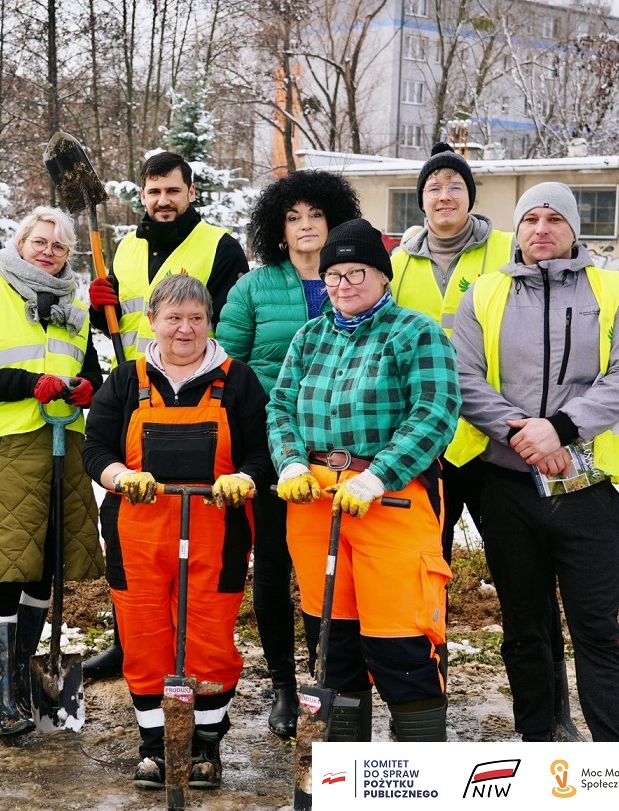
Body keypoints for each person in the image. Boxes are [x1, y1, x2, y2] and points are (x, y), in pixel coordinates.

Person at [448, 183, 619, 742]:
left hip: (585, 490)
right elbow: (464, 377)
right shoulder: (485, 293)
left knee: (596, 630)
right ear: (517, 229)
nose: (541, 229)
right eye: (530, 219)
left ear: (573, 228)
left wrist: (560, 428)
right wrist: (527, 435)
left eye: (554, 218)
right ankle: (538, 742)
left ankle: (616, 755)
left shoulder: (612, 291)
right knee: (524, 628)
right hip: (508, 488)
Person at [267, 218, 459, 743]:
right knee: (332, 643)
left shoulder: (415, 333)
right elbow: (280, 407)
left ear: (382, 276)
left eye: (357, 272)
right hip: (315, 504)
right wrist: (291, 463)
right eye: (333, 275)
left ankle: (418, 771)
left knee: (401, 641)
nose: (343, 284)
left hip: (389, 501)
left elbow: (435, 412)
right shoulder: (309, 337)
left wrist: (377, 477)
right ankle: (346, 769)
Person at [83, 273, 271, 790]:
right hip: (137, 535)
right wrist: (118, 476)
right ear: (153, 321)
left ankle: (205, 744)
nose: (184, 329)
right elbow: (95, 448)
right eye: (173, 318)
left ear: (210, 323)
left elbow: (262, 451)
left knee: (210, 642)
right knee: (144, 641)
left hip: (218, 533)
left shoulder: (238, 380)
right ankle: (154, 746)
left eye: (195, 318)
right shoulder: (127, 381)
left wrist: (245, 477)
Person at [83, 150, 250, 680]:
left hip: (202, 398)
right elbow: (127, 320)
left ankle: (194, 656)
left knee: (199, 555)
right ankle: (130, 641)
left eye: (172, 190)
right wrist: (99, 308)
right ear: (143, 195)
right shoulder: (127, 248)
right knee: (134, 539)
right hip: (136, 394)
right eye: (153, 191)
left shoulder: (219, 246)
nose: (163, 200)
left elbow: (220, 322)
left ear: (191, 192)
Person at [0, 206, 104, 738]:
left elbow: (89, 371)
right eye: (39, 242)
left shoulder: (74, 308)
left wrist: (88, 389)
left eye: (58, 246)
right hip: (5, 449)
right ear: (20, 244)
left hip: (63, 444)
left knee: (46, 565)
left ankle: (24, 677)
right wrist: (27, 383)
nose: (48, 252)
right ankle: (2, 699)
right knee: (10, 569)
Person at [218, 170, 360, 740]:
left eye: (316, 215)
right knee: (275, 563)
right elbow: (227, 366)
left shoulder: (354, 281)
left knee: (329, 567)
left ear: (334, 220)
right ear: (278, 229)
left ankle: (326, 676)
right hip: (273, 445)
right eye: (293, 217)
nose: (305, 226)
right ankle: (282, 682)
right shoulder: (254, 289)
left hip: (341, 450)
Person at [390, 143, 512, 561]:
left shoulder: (509, 249)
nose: (444, 196)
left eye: (455, 186)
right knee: (427, 550)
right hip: (424, 428)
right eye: (434, 187)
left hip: (493, 428)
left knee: (511, 551)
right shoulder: (398, 263)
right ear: (422, 200)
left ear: (471, 197)